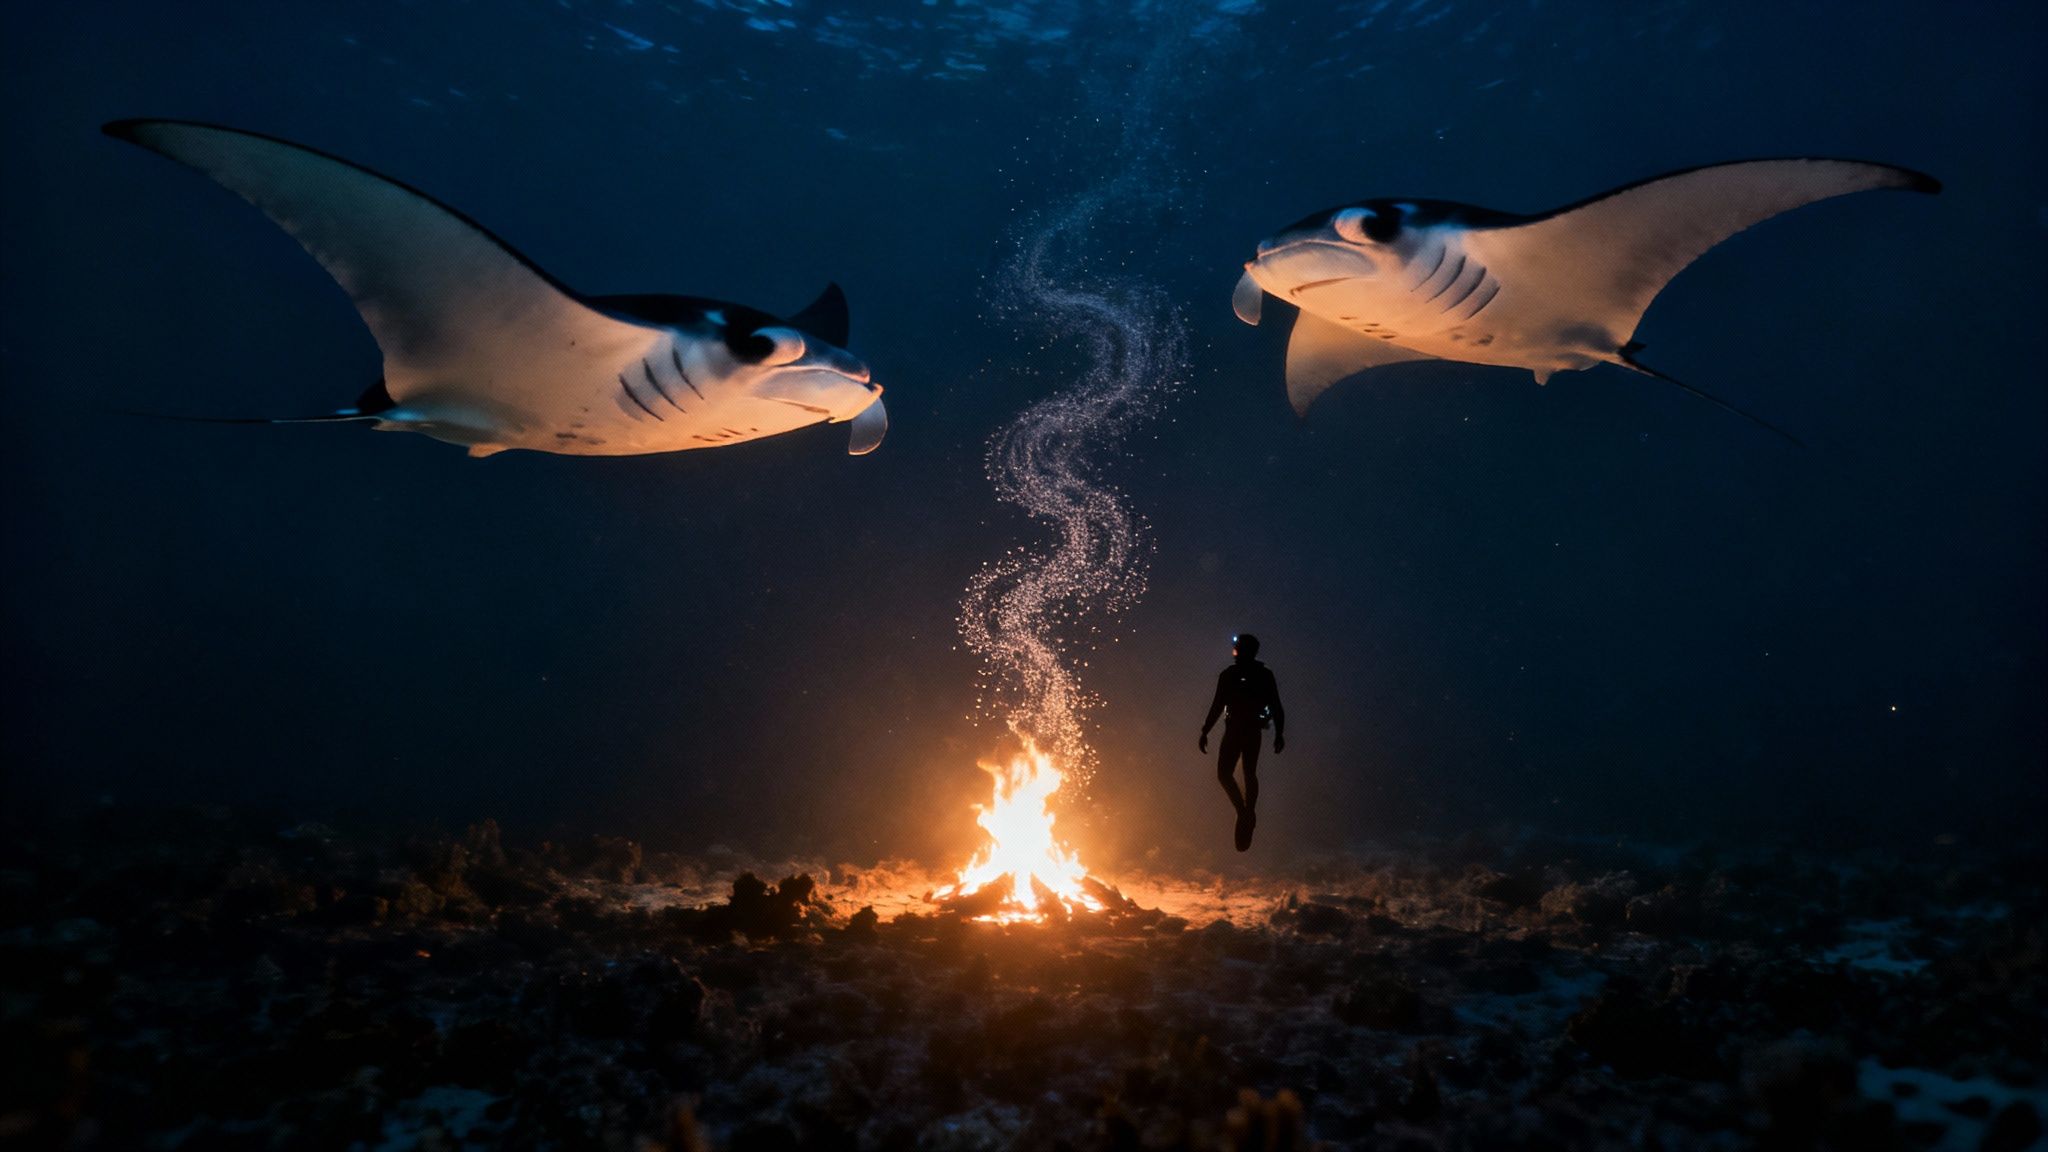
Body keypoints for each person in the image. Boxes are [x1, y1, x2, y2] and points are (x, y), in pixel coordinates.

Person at [1199, 632, 1285, 852]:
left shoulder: (1230, 675)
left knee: (1226, 773)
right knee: (1248, 772)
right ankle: (1247, 813)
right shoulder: (1262, 674)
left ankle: (1244, 812)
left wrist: (1206, 731)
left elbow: (1217, 706)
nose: (1235, 652)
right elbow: (1276, 706)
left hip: (1237, 729)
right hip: (1251, 730)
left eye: (1237, 648)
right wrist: (1279, 734)